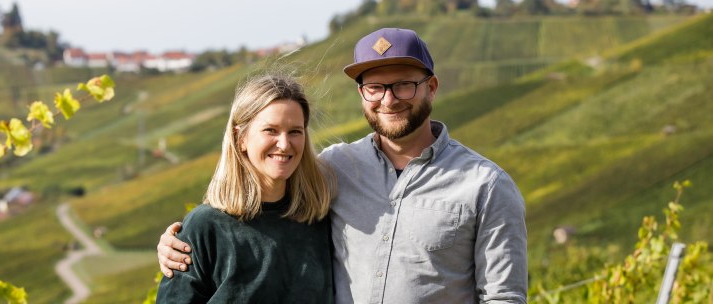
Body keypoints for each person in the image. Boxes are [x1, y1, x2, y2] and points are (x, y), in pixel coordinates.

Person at [158, 28, 528, 303]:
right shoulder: (334, 168)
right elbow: (258, 197)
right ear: (361, 94)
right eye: (375, 87)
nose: (388, 100)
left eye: (403, 85)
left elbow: (504, 297)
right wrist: (181, 240)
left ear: (431, 87)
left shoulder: (486, 186)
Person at [155, 74, 335, 303]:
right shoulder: (205, 227)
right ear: (241, 138)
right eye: (270, 130)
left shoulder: (320, 219)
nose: (284, 144)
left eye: (295, 131)